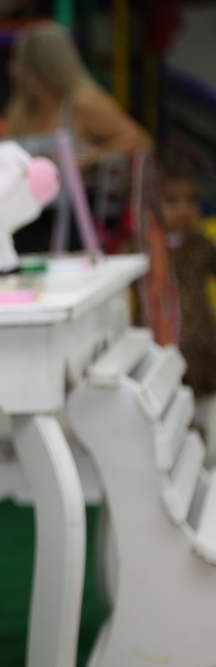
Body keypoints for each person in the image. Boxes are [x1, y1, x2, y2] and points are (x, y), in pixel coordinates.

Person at [2, 21, 152, 162]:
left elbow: (140, 142)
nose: (12, 69)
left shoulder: (83, 102)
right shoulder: (18, 110)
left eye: (17, 60)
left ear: (39, 67)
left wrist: (89, 157)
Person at [160, 156, 216, 463]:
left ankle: (202, 466)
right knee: (167, 412)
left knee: (201, 410)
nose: (184, 209)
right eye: (171, 201)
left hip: (200, 346)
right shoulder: (142, 247)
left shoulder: (201, 245)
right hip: (161, 346)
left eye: (191, 200)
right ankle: (174, 462)